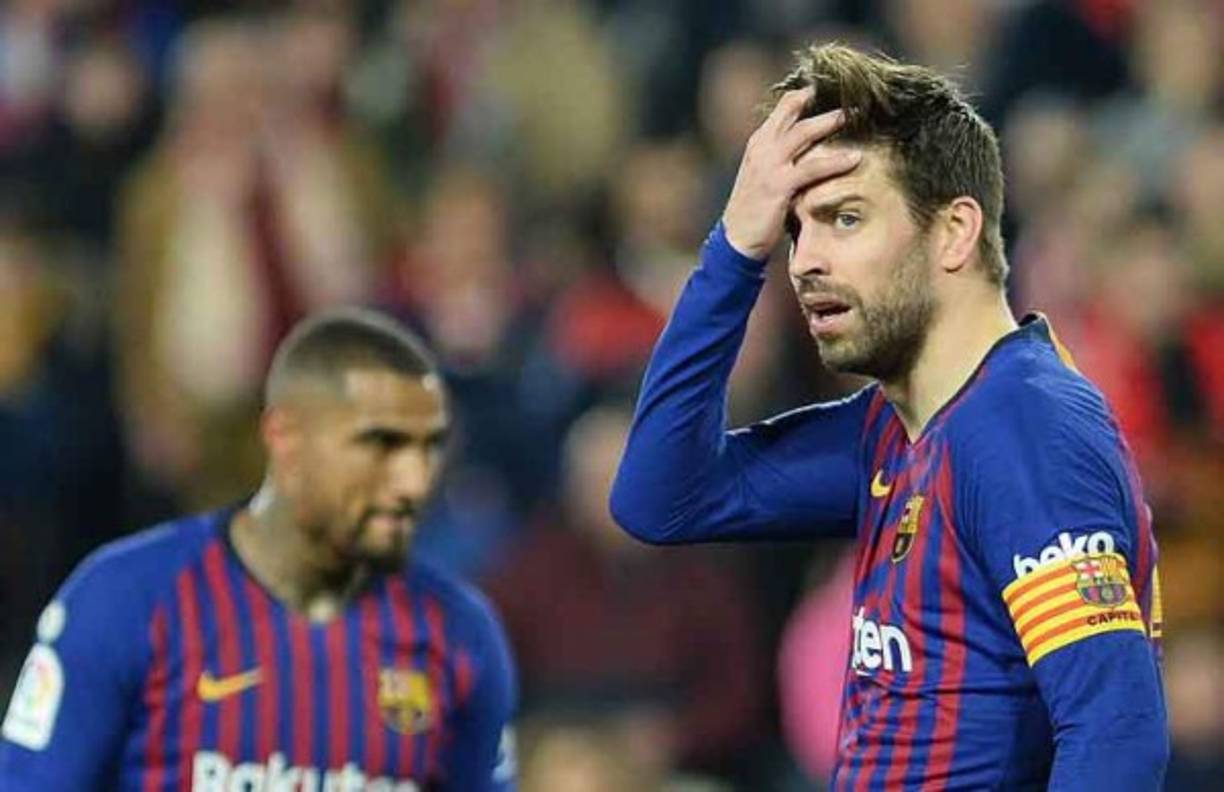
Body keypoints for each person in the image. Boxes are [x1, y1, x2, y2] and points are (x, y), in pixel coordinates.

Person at [610, 43, 1168, 790]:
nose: (804, 259)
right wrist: (737, 245)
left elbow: (1116, 734)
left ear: (955, 232)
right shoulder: (895, 428)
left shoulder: (1024, 429)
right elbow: (658, 498)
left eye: (845, 218)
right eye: (795, 228)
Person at [0, 308, 517, 790]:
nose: (413, 481)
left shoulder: (459, 633)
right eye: (381, 444)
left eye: (430, 448)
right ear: (285, 438)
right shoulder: (127, 599)